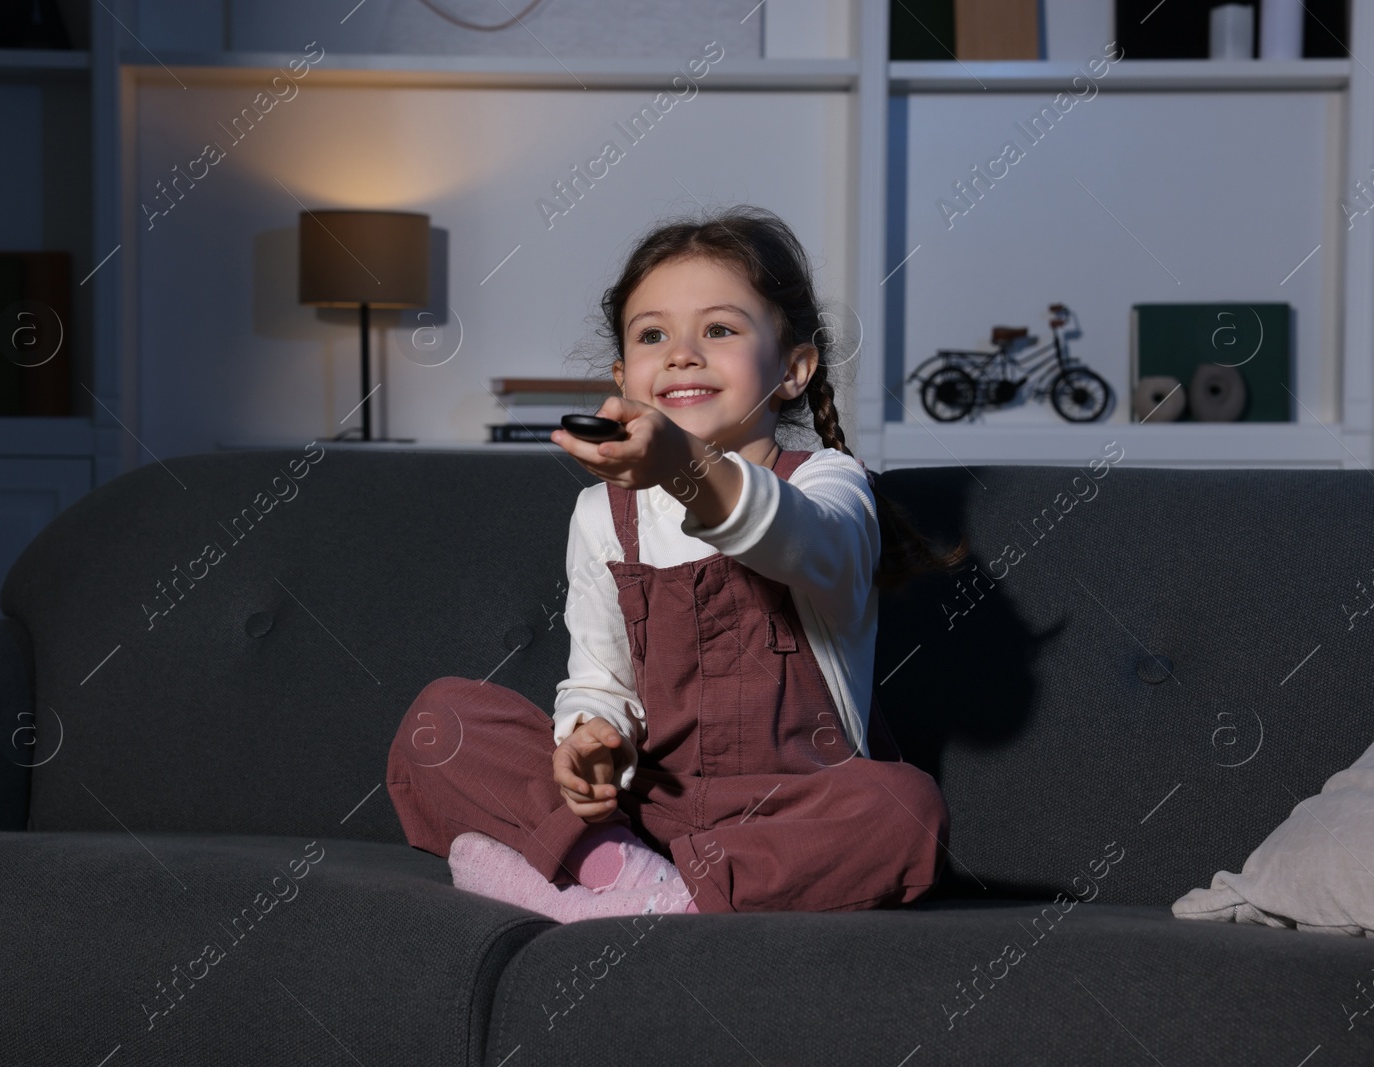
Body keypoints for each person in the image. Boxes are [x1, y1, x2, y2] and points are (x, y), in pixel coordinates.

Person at [387, 205, 968, 922]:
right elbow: (600, 679)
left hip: (786, 814)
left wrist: (682, 467)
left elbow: (793, 538)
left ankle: (626, 895)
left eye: (719, 329)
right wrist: (590, 741)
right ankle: (621, 871)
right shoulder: (604, 514)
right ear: (625, 375)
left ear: (793, 369)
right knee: (441, 719)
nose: (681, 352)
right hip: (649, 808)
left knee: (904, 808)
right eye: (652, 334)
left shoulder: (827, 484)